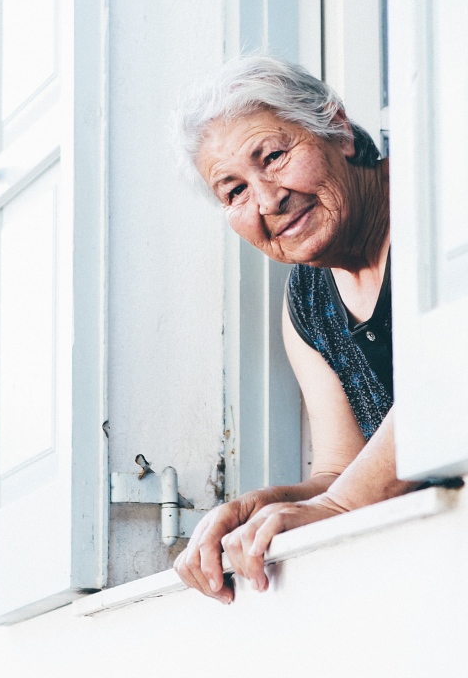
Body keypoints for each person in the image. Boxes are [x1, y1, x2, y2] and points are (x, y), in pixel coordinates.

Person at [173, 56, 417, 603]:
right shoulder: (308, 304)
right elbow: (340, 471)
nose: (267, 200)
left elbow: (457, 370)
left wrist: (337, 508)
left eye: (275, 156)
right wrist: (249, 512)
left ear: (337, 129)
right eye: (234, 191)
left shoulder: (435, 205)